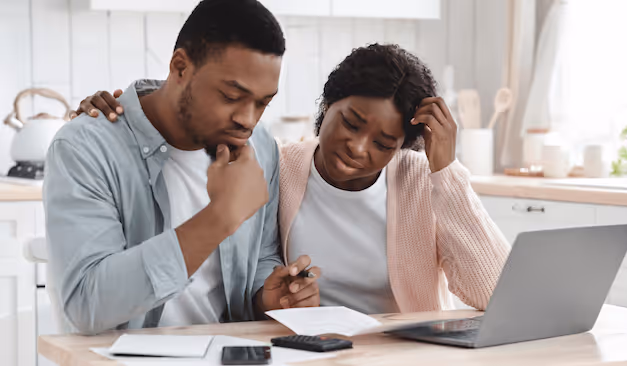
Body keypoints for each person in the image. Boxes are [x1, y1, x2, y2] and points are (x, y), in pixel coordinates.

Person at [76, 44, 509, 315]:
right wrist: (120, 115)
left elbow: (494, 293)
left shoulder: (420, 180)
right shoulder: (278, 164)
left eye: (383, 143)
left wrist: (446, 172)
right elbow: (184, 123)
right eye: (351, 123)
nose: (358, 148)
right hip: (302, 352)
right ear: (328, 104)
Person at [44, 0, 320, 336]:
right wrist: (220, 217)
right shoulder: (87, 147)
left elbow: (261, 257)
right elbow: (86, 306)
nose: (248, 119)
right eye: (231, 96)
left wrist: (268, 298)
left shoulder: (259, 146)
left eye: (263, 102)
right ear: (180, 67)